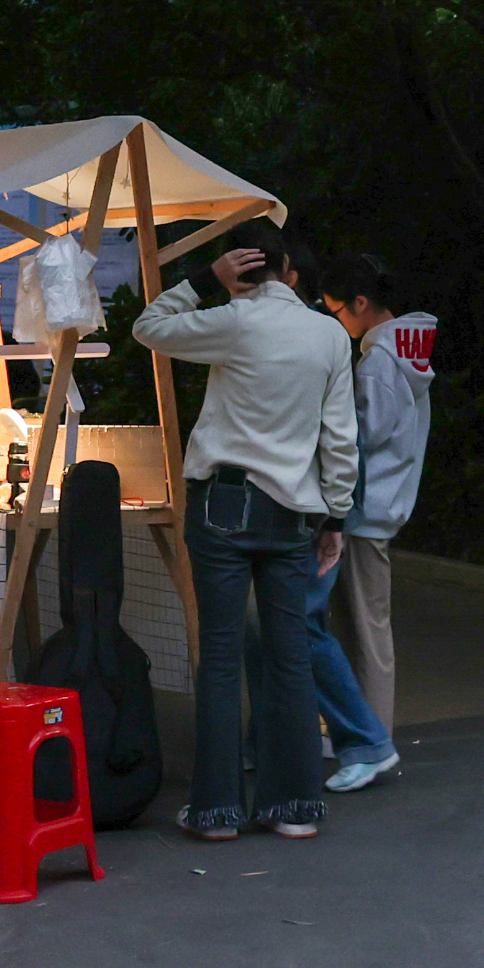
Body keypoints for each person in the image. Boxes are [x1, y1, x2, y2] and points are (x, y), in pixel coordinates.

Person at [133, 219, 358, 841]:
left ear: (237, 269)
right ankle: (295, 808)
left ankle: (217, 812)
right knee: (290, 658)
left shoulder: (234, 321)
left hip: (224, 505)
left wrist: (205, 280)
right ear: (287, 269)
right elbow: (340, 436)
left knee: (221, 657)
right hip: (294, 511)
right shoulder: (329, 334)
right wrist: (336, 515)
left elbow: (148, 326)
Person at [242, 240, 401, 793]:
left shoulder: (319, 337)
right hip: (307, 499)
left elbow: (344, 436)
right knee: (276, 625)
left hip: (312, 502)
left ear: (289, 277)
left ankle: (365, 740)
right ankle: (280, 739)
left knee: (296, 622)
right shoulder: (327, 336)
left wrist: (335, 514)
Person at [322, 254, 437, 745]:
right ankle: (364, 733)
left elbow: (361, 437)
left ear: (360, 303)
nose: (337, 322)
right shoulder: (405, 353)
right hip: (383, 506)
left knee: (365, 631)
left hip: (366, 511)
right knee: (362, 628)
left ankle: (372, 739)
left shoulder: (378, 363)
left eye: (336, 311)